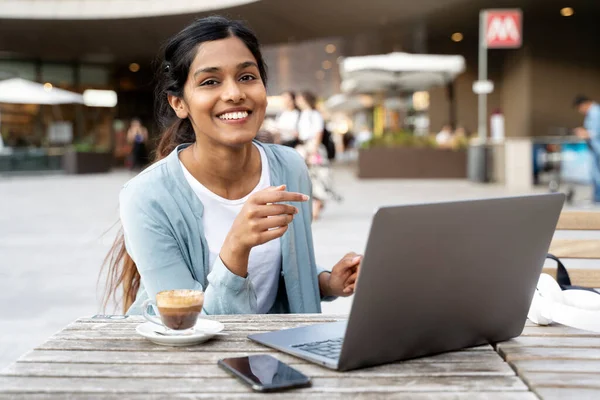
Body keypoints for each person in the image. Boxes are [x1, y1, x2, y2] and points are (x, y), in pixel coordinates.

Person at [102, 16, 362, 315]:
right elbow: (185, 320)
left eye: (247, 77)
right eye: (210, 81)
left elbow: (282, 268)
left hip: (278, 358)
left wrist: (328, 282)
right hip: (191, 360)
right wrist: (236, 247)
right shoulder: (146, 196)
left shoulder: (289, 166)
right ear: (178, 103)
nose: (235, 93)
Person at [296, 91, 328, 220]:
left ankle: (317, 205)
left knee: (317, 176)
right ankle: (315, 205)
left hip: (313, 148)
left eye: (300, 99)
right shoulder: (303, 114)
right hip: (304, 147)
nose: (298, 101)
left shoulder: (315, 114)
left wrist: (313, 150)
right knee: (307, 177)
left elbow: (318, 133)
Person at [574, 95, 600, 203]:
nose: (580, 111)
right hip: (594, 149)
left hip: (597, 147)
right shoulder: (592, 113)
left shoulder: (595, 112)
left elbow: (595, 132)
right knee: (595, 174)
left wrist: (584, 133)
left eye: (580, 108)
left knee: (597, 175)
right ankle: (597, 197)